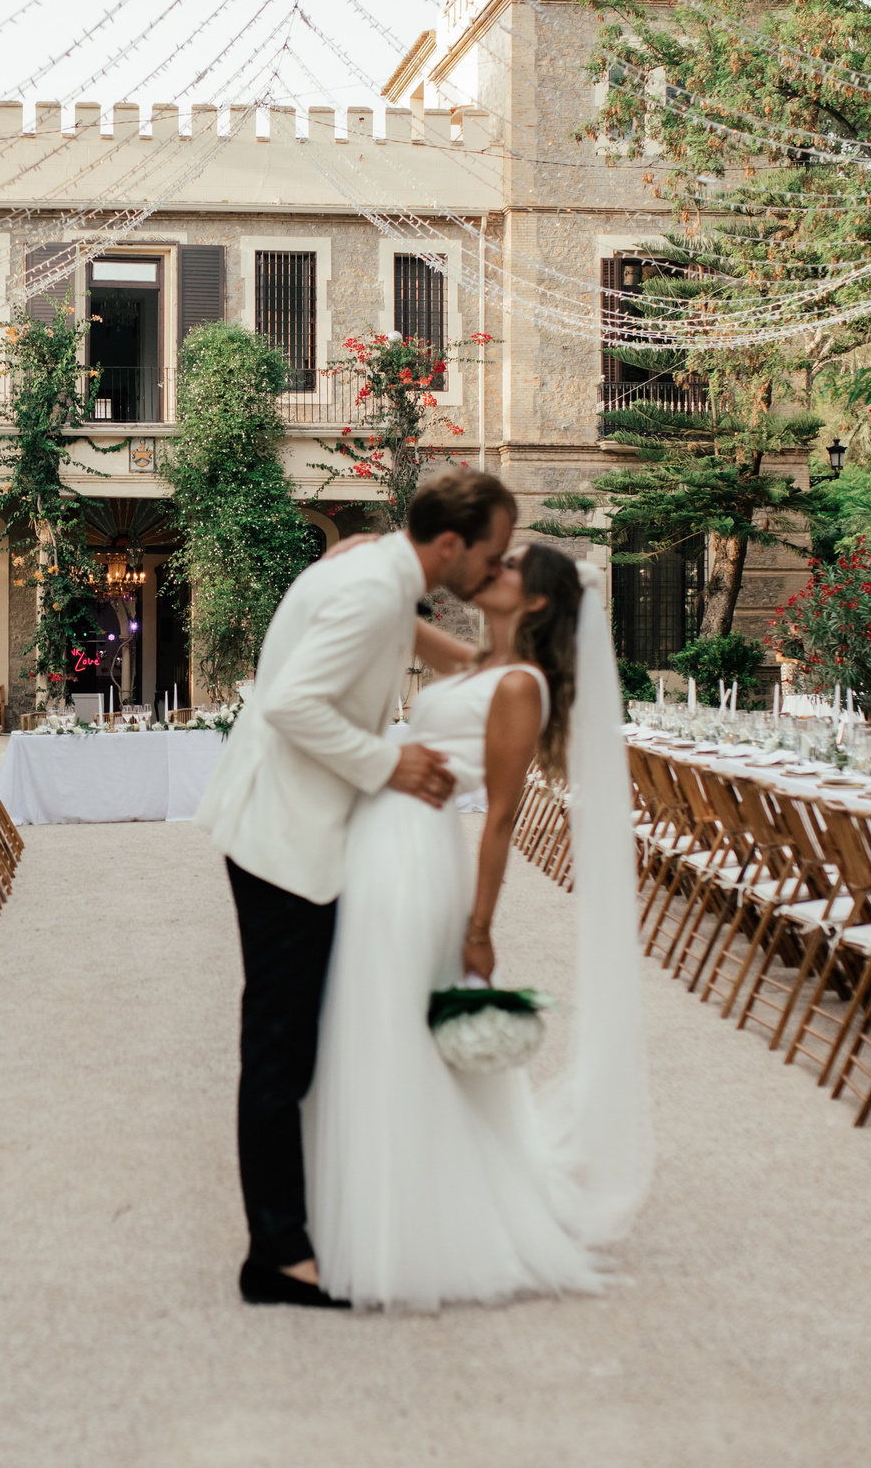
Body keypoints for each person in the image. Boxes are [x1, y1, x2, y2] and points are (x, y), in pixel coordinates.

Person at [194, 469, 516, 1308]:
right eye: (493, 551)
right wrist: (391, 762)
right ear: (451, 546)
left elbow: (389, 626)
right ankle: (275, 1257)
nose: (497, 565)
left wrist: (459, 655)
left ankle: (295, 1229)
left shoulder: (377, 564)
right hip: (283, 840)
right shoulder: (377, 586)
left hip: (274, 820)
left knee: (293, 1038)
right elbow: (294, 703)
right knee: (279, 1048)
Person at [303, 543, 655, 1309]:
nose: (494, 566)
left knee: (397, 1016)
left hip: (418, 848)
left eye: (511, 566)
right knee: (369, 1017)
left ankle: (414, 1224)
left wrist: (481, 927)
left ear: (534, 603)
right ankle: (373, 1200)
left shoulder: (523, 686)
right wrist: (368, 553)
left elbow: (501, 816)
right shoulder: (473, 664)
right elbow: (396, 618)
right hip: (379, 831)